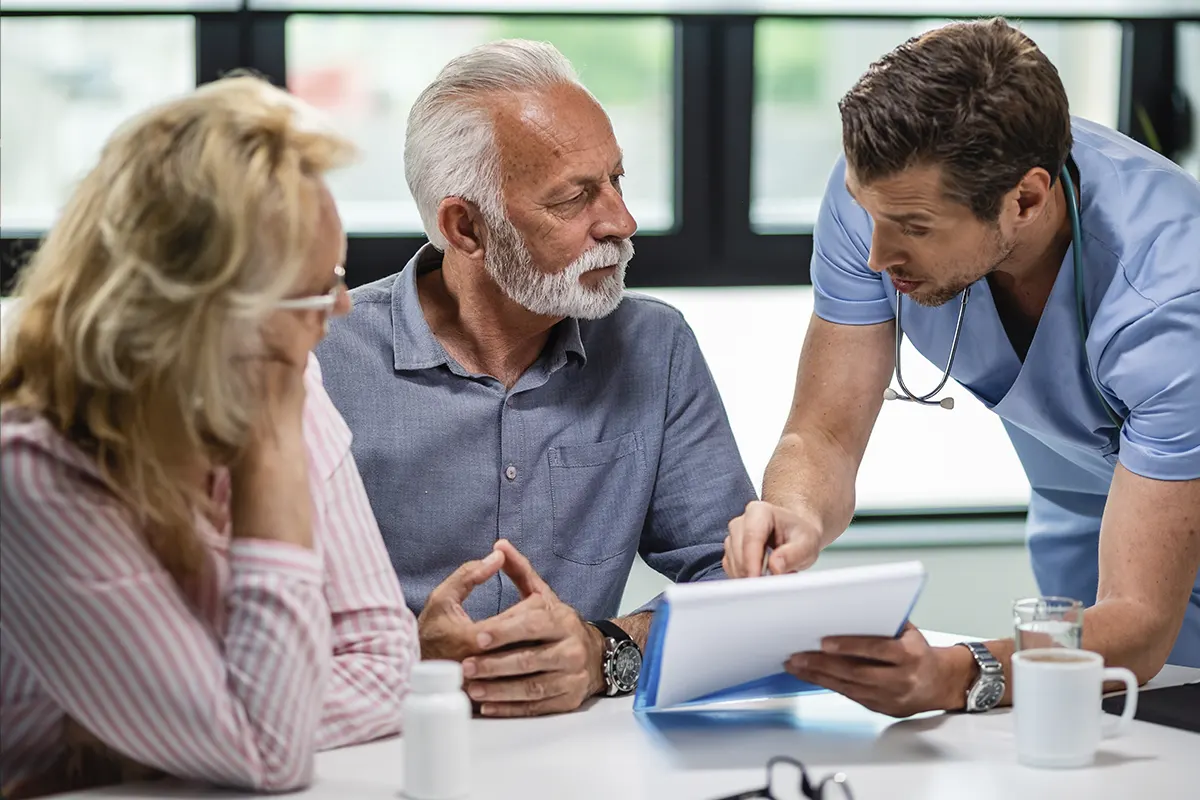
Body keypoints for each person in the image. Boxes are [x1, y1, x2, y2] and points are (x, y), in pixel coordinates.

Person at [724, 17, 1200, 717]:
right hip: (1087, 537)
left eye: (913, 229)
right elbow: (823, 434)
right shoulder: (886, 192)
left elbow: (1139, 623)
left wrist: (953, 675)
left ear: (1026, 200)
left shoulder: (1171, 293)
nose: (875, 257)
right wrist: (792, 516)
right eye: (868, 213)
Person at [0, 75, 418, 797]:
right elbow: (268, 751)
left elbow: (385, 660)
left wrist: (158, 737)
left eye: (339, 276)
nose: (342, 309)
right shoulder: (33, 470)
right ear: (201, 316)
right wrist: (272, 459)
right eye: (315, 291)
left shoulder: (284, 373)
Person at [315, 39, 755, 718]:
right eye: (573, 199)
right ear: (465, 227)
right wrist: (411, 664)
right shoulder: (319, 359)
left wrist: (603, 652)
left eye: (616, 180)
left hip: (577, 760)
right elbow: (241, 615)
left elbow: (740, 585)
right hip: (371, 750)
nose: (621, 222)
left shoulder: (654, 347)